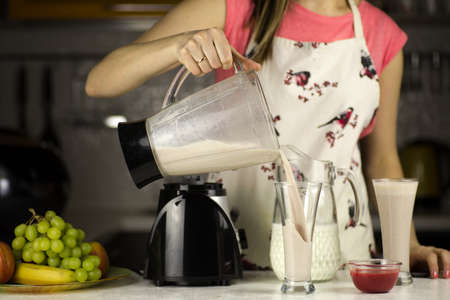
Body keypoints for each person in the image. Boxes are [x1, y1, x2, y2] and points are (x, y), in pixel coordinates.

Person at [85, 0, 450, 279]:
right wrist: (178, 45)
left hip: (342, 262)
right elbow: (100, 80)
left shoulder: (380, 33)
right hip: (237, 260)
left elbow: (382, 159)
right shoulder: (236, 10)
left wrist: (409, 244)